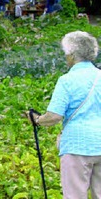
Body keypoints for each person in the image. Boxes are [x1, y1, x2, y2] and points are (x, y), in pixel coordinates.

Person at [26, 31, 101, 198]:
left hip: (77, 146)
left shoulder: (67, 80)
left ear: (72, 55)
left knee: (75, 194)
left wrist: (37, 120)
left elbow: (54, 116)